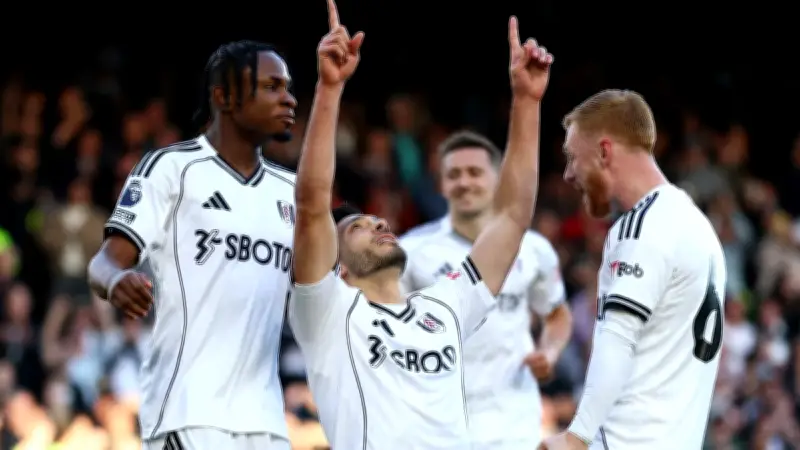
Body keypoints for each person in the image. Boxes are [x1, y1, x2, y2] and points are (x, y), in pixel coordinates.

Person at [289, 6, 553, 448]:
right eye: (358, 227)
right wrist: (330, 88)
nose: (377, 223)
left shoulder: (445, 306)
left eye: (376, 219)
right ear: (338, 269)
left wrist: (527, 102)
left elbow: (511, 218)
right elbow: (313, 203)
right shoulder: (328, 313)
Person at [87, 40, 298, 450]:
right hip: (188, 411)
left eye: (288, 87)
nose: (288, 98)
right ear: (224, 97)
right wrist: (115, 281)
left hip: (268, 421)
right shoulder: (172, 168)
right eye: (272, 86)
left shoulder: (290, 190)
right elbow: (103, 262)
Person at [540, 90, 726, 450]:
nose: (567, 174)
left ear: (604, 151)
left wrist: (577, 436)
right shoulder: (699, 229)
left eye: (572, 158)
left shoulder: (641, 228)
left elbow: (618, 341)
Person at [399, 129, 573, 449]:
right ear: (441, 184)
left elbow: (557, 313)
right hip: (438, 420)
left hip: (513, 417)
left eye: (475, 172)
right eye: (454, 174)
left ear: (498, 180)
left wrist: (549, 352)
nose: (464, 182)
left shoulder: (533, 249)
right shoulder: (411, 251)